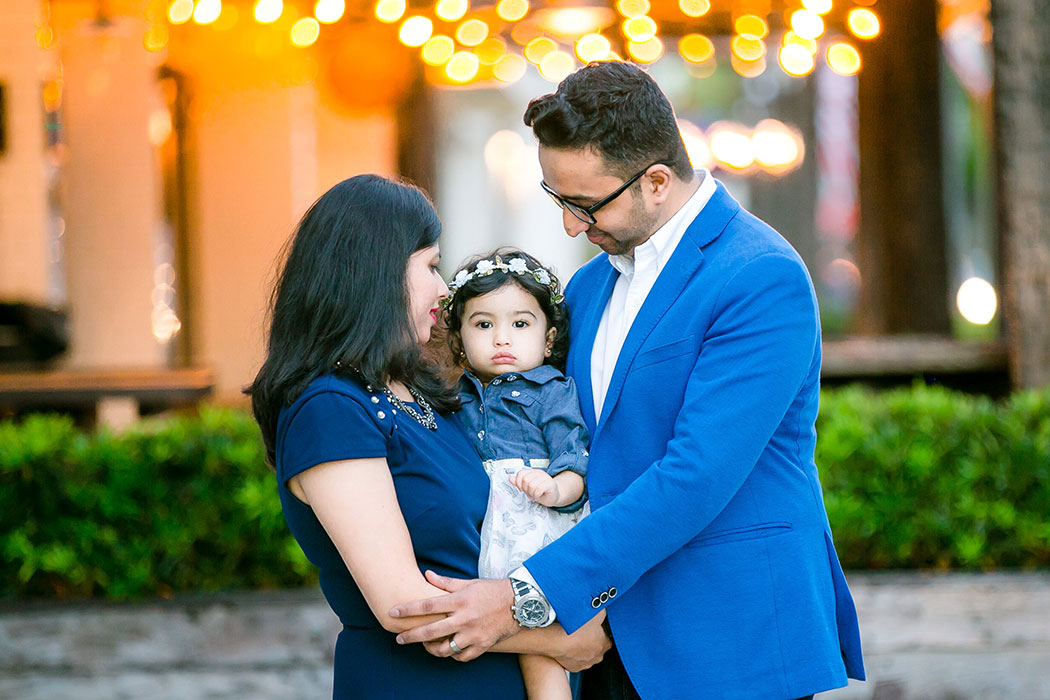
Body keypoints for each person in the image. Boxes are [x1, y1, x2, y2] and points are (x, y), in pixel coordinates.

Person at [390, 62, 866, 700]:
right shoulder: (587, 287)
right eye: (557, 200)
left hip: (729, 643)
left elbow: (696, 475)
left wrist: (522, 599)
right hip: (603, 643)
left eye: (584, 204)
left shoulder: (759, 275)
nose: (568, 226)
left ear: (658, 181)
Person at [246, 175, 609, 699]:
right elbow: (403, 604)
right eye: (431, 265)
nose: (444, 289)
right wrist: (554, 637)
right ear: (377, 272)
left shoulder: (424, 392)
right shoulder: (330, 408)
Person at [444, 248, 590, 699]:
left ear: (548, 338)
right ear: (460, 336)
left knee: (537, 649)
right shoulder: (456, 397)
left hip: (532, 521)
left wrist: (553, 489)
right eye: (483, 324)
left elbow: (575, 459)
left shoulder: (552, 391)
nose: (501, 339)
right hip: (483, 528)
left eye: (520, 324)